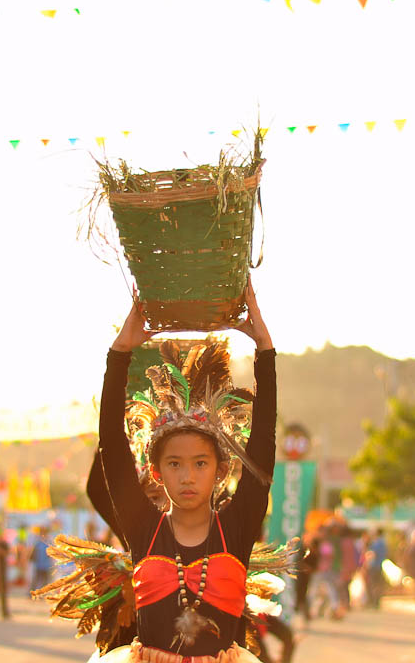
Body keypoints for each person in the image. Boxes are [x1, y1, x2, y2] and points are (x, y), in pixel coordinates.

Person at [90, 280, 275, 662]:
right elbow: (111, 440)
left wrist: (265, 350)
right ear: (157, 474)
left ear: (222, 471)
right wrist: (120, 351)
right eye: (175, 464)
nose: (187, 476)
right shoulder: (143, 526)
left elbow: (264, 440)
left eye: (200, 464)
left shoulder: (238, 525)